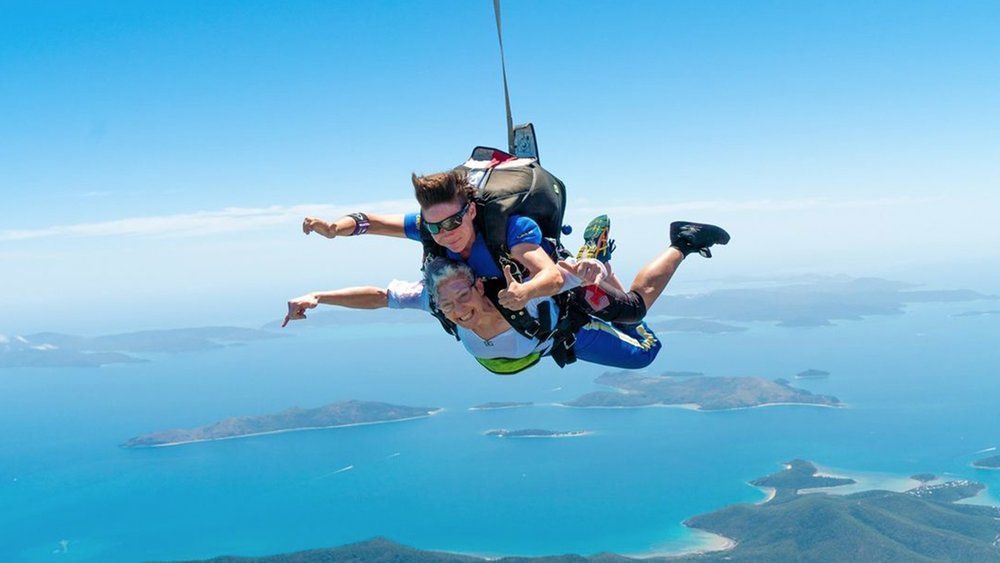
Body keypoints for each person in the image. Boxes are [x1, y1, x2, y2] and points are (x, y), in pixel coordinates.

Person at [285, 216, 730, 373]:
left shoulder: (518, 292)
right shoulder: (435, 298)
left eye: (463, 298)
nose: (458, 312)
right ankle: (595, 271)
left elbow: (559, 279)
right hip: (541, 344)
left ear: (481, 284)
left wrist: (588, 269)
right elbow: (378, 296)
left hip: (564, 330)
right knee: (597, 289)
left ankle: (682, 241)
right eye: (448, 305)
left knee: (638, 330)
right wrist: (319, 297)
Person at [301, 169, 729, 318]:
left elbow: (542, 272)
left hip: (545, 284)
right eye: (434, 227)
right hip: (507, 292)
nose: (444, 233)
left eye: (453, 221)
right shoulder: (432, 227)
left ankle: (682, 242)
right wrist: (335, 229)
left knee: (632, 313)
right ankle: (591, 262)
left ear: (470, 209)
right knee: (595, 283)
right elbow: (372, 221)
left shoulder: (511, 229)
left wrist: (523, 292)